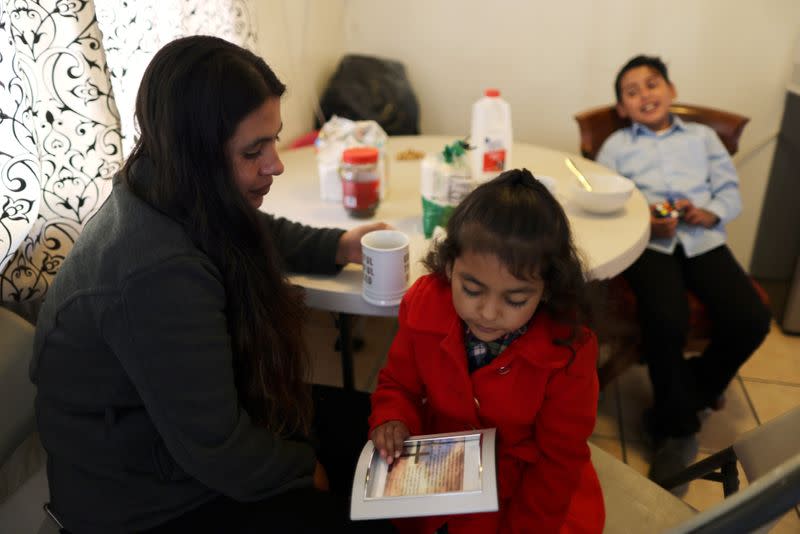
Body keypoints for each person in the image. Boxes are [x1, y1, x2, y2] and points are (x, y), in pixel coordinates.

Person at [31, 35, 395, 533]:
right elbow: (219, 449)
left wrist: (338, 245)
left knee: (380, 426)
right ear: (197, 154)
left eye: (274, 140)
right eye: (254, 151)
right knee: (368, 510)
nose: (276, 163)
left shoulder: (165, 181)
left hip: (183, 443)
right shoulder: (156, 275)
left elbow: (244, 226)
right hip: (145, 503)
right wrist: (303, 469)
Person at [368, 169, 605, 533]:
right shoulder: (425, 305)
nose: (489, 312)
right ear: (449, 267)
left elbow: (558, 461)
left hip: (524, 484)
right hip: (441, 470)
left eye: (515, 298)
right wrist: (393, 418)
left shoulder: (569, 349)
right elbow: (398, 383)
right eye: (473, 289)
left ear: (547, 289)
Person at [596, 55, 771, 486]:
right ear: (622, 108)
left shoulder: (703, 137)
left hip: (702, 237)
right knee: (665, 320)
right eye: (631, 92)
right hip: (649, 242)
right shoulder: (617, 147)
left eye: (651, 84)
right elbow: (608, 197)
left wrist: (709, 213)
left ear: (671, 90)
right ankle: (676, 432)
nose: (644, 95)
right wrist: (645, 218)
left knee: (751, 318)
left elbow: (728, 190)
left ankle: (686, 393)